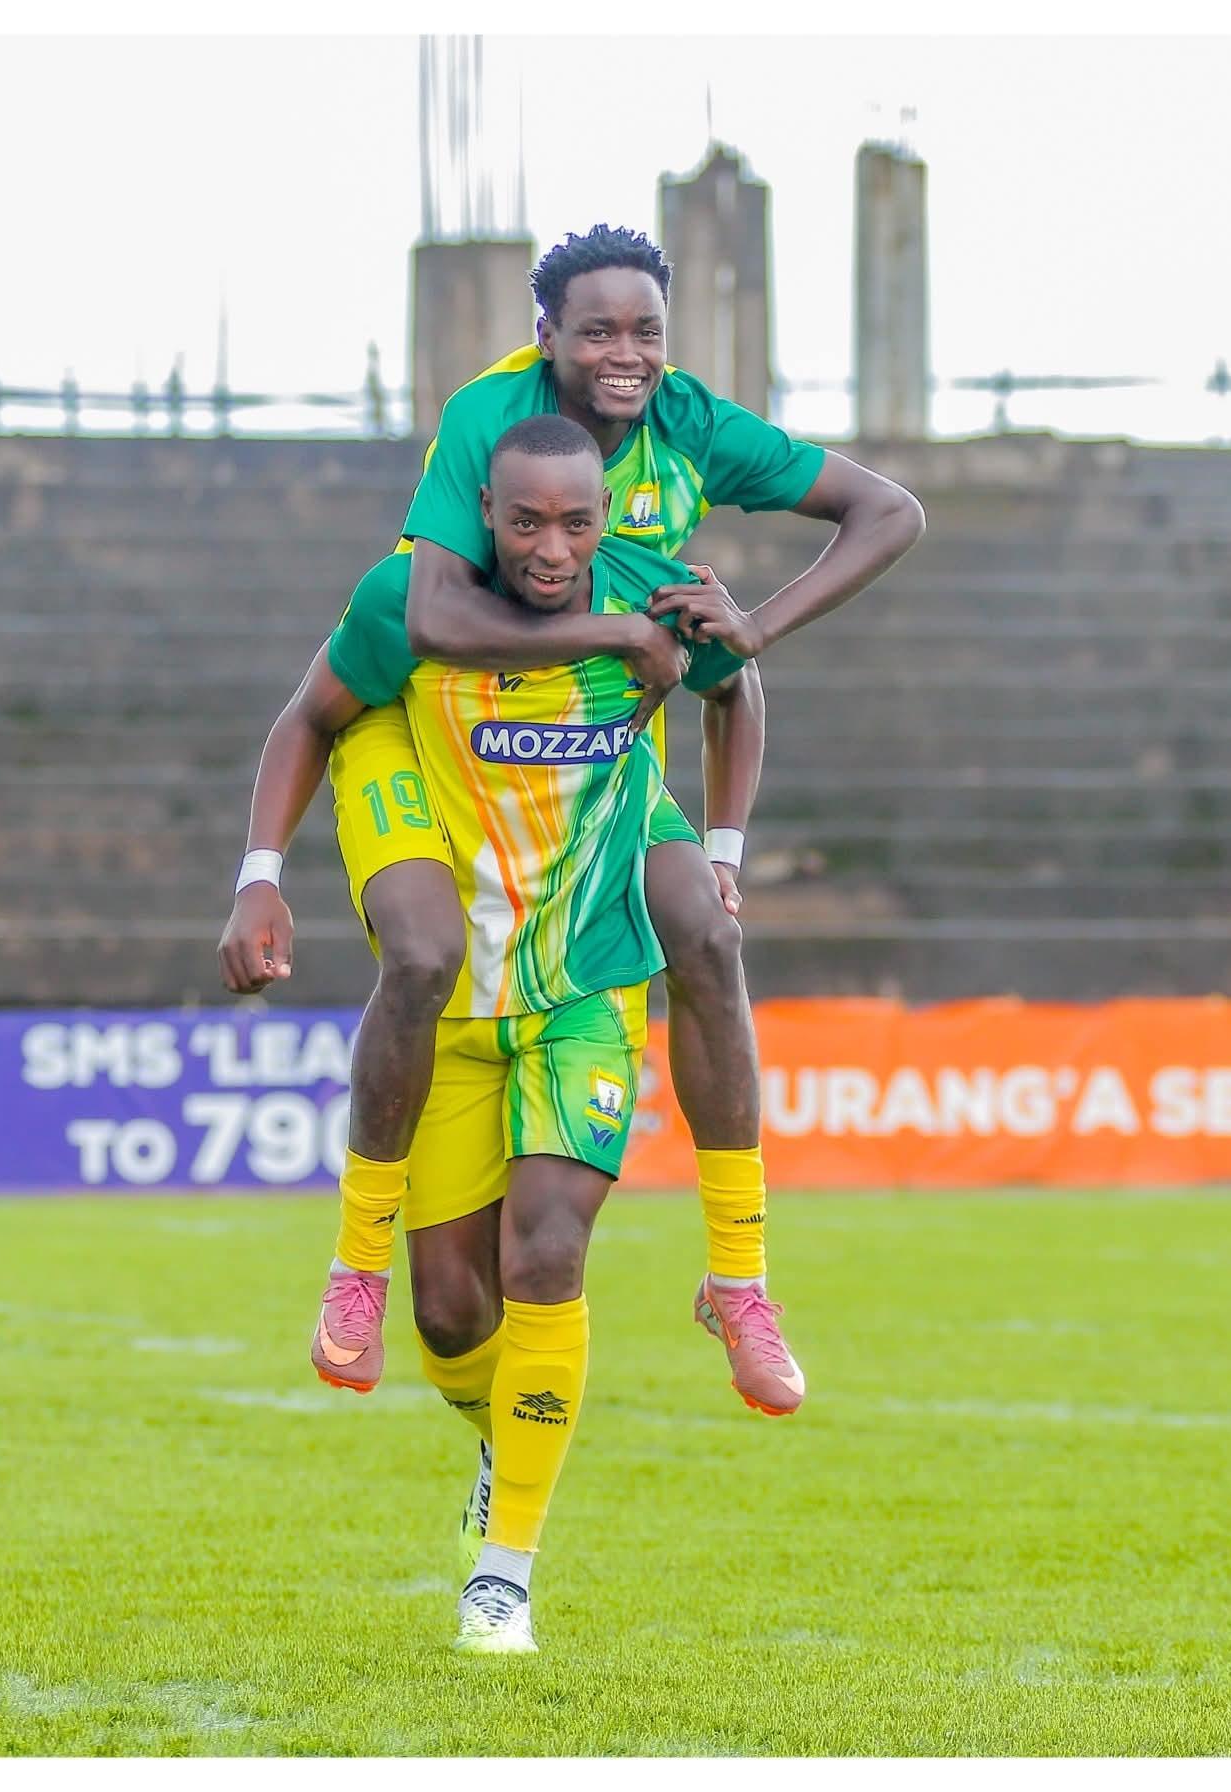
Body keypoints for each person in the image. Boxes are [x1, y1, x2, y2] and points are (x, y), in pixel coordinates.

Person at [220, 223, 923, 1413]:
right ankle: (358, 1261)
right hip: (425, 710)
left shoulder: (688, 430)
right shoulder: (483, 423)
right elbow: (436, 615)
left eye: (645, 329)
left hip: (585, 738)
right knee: (429, 951)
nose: (624, 353)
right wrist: (620, 632)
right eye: (594, 329)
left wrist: (749, 646)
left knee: (703, 926)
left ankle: (739, 1279)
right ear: (542, 338)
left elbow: (884, 515)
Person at [222, 416, 768, 1652]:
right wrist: (260, 871)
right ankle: (491, 1433)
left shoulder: (658, 594)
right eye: (524, 520)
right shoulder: (409, 606)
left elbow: (739, 685)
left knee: (547, 1252)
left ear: (606, 513)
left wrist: (720, 854)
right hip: (458, 1007)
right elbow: (310, 714)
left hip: (583, 987)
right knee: (455, 1317)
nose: (551, 545)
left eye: (575, 521)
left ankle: (502, 1573)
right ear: (482, 510)